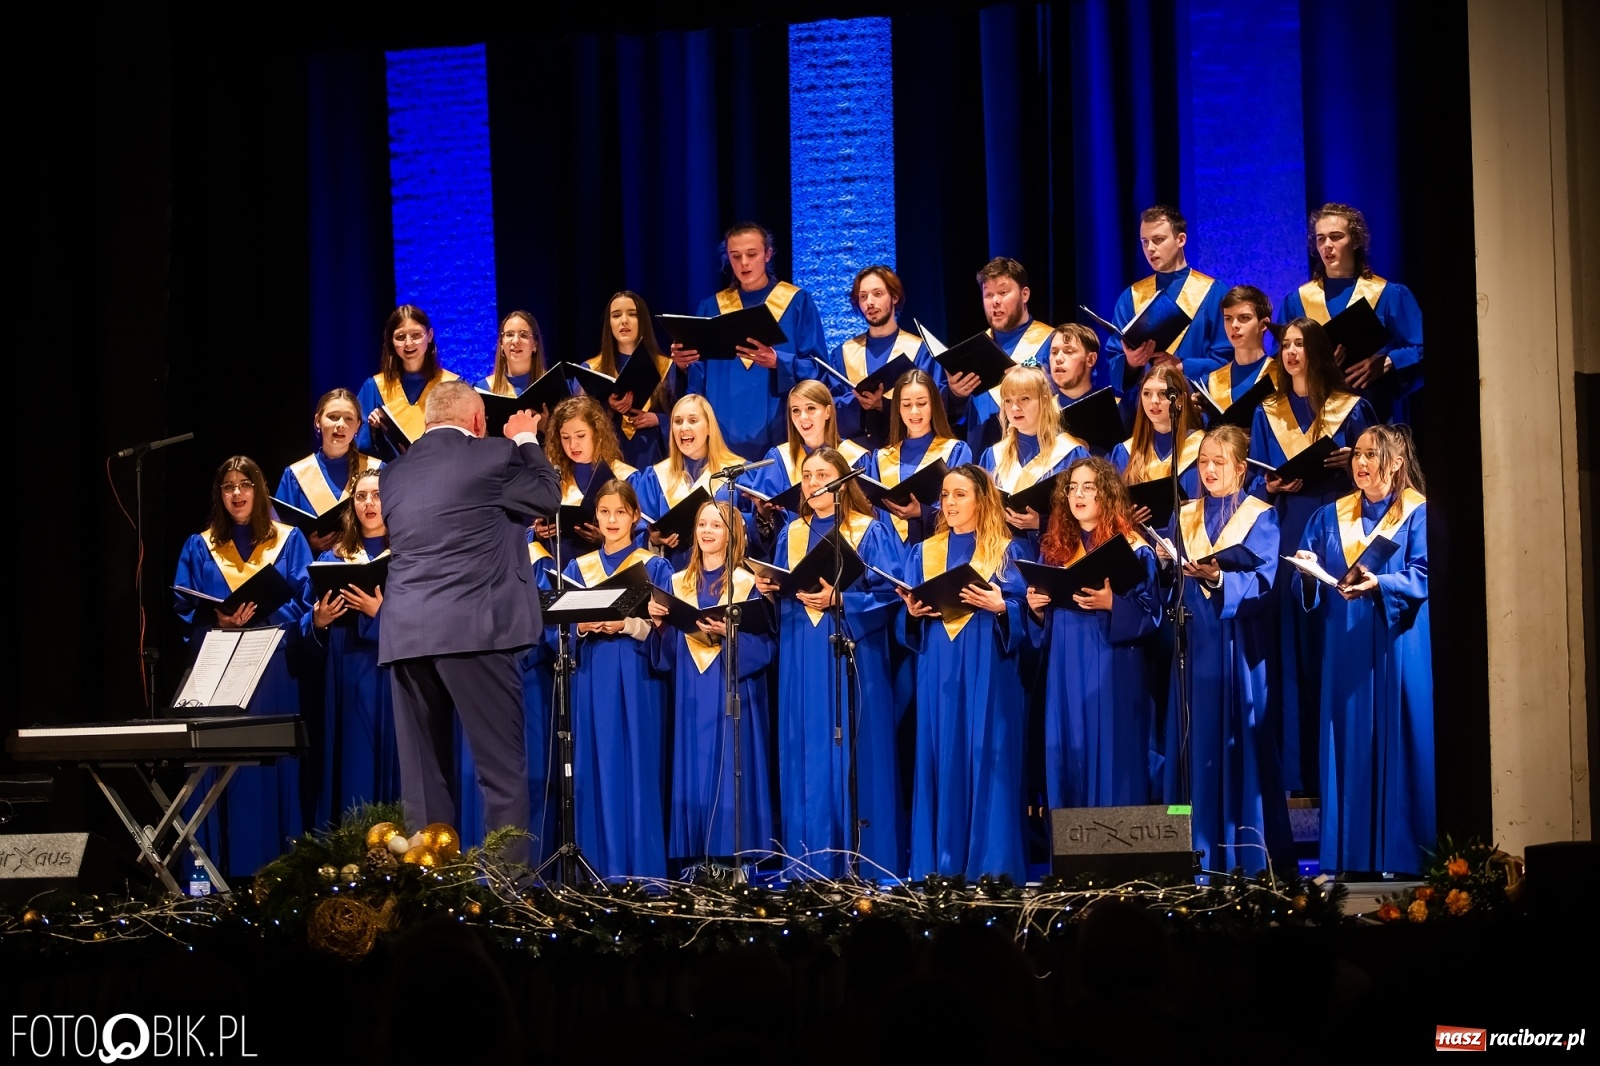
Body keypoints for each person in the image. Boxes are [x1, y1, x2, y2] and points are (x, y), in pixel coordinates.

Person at [377, 380, 560, 864]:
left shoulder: (393, 474)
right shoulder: (494, 456)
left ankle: (429, 892)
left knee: (423, 780)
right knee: (500, 772)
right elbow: (547, 497)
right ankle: (507, 895)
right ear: (477, 421)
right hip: (475, 630)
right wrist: (525, 440)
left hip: (405, 636)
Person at [753, 447, 904, 879]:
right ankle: (809, 861)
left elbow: (891, 595)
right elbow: (784, 592)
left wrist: (842, 599)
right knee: (806, 748)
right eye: (806, 474)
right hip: (802, 653)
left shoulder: (869, 531)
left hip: (853, 652)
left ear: (842, 480)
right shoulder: (791, 534)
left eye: (823, 473)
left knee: (855, 750)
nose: (813, 481)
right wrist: (770, 588)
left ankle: (863, 862)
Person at [1293, 425, 1432, 874]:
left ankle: (1404, 855)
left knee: (1398, 734)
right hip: (1346, 642)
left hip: (1397, 640)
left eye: (1372, 454)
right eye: (1357, 453)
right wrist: (1308, 570)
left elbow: (1426, 573)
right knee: (1347, 740)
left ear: (1395, 462)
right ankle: (1350, 855)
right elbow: (1308, 570)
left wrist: (1382, 584)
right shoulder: (1329, 515)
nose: (1360, 462)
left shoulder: (1417, 513)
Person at [1158, 426, 1293, 874]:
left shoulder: (1261, 516)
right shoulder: (1185, 515)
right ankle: (1193, 852)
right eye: (1203, 463)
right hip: (1193, 647)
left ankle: (1246, 858)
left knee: (1241, 751)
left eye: (1219, 462)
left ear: (1240, 467)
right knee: (1192, 745)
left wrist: (1218, 579)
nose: (1210, 470)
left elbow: (1267, 583)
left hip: (1239, 649)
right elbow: (1166, 587)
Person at [1249, 317, 1375, 795]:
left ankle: (1337, 776)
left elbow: (1377, 475)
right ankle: (1295, 777)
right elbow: (1256, 483)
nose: (1291, 352)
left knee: (1329, 646)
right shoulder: (1268, 413)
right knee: (1288, 650)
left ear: (1318, 350)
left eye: (1301, 344)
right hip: (1286, 532)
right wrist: (1270, 483)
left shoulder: (1353, 408)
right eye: (1285, 345)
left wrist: (1354, 463)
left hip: (1338, 531)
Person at [173, 456, 313, 875]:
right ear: (220, 495)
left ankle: (277, 872)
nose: (237, 493)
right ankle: (212, 873)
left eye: (245, 484)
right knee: (220, 766)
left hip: (270, 666)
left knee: (268, 767)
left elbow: (305, 600)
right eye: (229, 486)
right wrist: (216, 619)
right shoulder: (200, 545)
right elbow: (184, 607)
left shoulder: (288, 540)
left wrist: (263, 614)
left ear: (260, 489)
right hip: (218, 668)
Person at [897, 464, 1030, 881]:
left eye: (960, 495)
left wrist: (1003, 607)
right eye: (946, 495)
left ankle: (992, 868)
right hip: (939, 662)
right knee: (940, 752)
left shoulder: (1010, 551)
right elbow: (909, 617)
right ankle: (942, 866)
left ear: (981, 499)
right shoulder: (923, 552)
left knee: (987, 753)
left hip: (990, 661)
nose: (949, 503)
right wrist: (914, 613)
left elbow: (1029, 612)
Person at [1026, 457, 1160, 808]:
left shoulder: (1133, 547)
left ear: (1107, 495)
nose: (1078, 495)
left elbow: (1154, 612)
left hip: (1112, 661)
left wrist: (1113, 603)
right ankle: (1073, 858)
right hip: (1064, 663)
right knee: (1067, 746)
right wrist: (1037, 609)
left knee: (1112, 747)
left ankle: (1118, 856)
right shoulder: (1056, 549)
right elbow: (1044, 620)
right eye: (1072, 488)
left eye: (1088, 487)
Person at [648, 498, 775, 868]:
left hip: (732, 686)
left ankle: (737, 857)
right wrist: (659, 625)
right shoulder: (676, 582)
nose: (707, 531)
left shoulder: (748, 582)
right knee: (693, 764)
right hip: (691, 686)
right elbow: (668, 651)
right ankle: (694, 857)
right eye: (702, 524)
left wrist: (731, 635)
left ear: (732, 533)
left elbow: (766, 646)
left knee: (732, 761)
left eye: (716, 525)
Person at [558, 479, 673, 879]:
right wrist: (584, 626)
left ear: (635, 517)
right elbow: (560, 630)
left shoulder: (654, 566)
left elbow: (666, 630)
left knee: (637, 767)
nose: (611, 519)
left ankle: (641, 873)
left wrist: (626, 623)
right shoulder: (578, 568)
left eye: (620, 512)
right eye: (604, 512)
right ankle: (597, 871)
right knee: (594, 767)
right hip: (592, 676)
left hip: (637, 673)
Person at [669, 222, 829, 457]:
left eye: (751, 254)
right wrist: (682, 366)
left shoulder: (797, 303)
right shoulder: (711, 308)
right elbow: (697, 382)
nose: (744, 263)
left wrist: (778, 361)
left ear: (768, 254)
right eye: (736, 256)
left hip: (779, 432)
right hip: (721, 438)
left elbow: (820, 371)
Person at [303, 469, 396, 826]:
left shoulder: (406, 555)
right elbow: (305, 616)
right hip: (343, 666)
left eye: (376, 495)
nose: (369, 503)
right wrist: (319, 621)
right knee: (349, 757)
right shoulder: (334, 558)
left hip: (389, 668)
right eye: (361, 496)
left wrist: (379, 613)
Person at [1281, 203, 1423, 426]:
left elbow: (1420, 347)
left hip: (1373, 410)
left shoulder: (1388, 294)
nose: (1327, 245)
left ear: (1356, 241)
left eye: (1336, 237)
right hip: (1314, 416)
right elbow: (1279, 360)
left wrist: (1387, 361)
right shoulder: (1297, 300)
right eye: (1321, 239)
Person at [1102, 206, 1232, 393]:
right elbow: (1115, 360)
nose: (1150, 249)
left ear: (1181, 239)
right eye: (1145, 242)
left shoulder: (1213, 291)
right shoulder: (1132, 296)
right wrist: (1131, 362)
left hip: (1195, 404)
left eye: (1158, 240)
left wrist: (1183, 366)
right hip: (1147, 407)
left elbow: (1226, 358)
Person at [945, 257, 1059, 453]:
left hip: (1037, 458)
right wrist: (955, 395)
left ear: (1025, 294)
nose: (995, 301)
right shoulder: (974, 351)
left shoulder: (1052, 343)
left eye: (1003, 292)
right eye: (988, 294)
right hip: (981, 460)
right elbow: (953, 416)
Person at [629, 393, 751, 569]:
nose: (683, 428)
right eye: (677, 422)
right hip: (672, 574)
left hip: (726, 575)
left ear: (709, 427)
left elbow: (755, 528)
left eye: (693, 420)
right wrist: (654, 539)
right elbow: (637, 531)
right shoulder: (656, 477)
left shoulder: (737, 472)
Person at [827, 265, 939, 449]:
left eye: (877, 294)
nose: (869, 302)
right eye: (863, 297)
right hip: (856, 454)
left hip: (907, 450)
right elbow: (830, 406)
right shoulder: (843, 353)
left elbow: (935, 404)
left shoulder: (920, 350)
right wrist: (857, 402)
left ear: (894, 297)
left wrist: (883, 405)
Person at [866, 368, 973, 558]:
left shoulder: (955, 451)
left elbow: (964, 511)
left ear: (934, 405)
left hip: (938, 556)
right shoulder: (880, 458)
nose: (914, 411)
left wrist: (922, 512)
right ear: (897, 408)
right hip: (889, 560)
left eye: (922, 403)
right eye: (906, 404)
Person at [980, 364, 1089, 544]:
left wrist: (1042, 522)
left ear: (1044, 400)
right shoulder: (992, 455)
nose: (1014, 408)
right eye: (1008, 400)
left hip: (1053, 553)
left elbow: (1090, 514)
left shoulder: (1072, 453)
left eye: (1024, 399)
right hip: (1000, 555)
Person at [532, 395, 639, 567]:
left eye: (580, 436)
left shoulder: (624, 476)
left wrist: (606, 537)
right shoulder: (553, 477)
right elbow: (527, 526)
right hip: (563, 568)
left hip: (611, 570)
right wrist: (538, 532)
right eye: (565, 437)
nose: (573, 445)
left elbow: (641, 532)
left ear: (596, 433)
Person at [275, 388, 383, 557]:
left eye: (348, 419)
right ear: (317, 421)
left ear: (358, 426)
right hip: (314, 571)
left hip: (369, 566)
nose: (340, 425)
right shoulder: (295, 475)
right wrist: (307, 543)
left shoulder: (377, 470)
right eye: (333, 417)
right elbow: (279, 534)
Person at [356, 305, 460, 460]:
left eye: (416, 335)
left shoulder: (453, 386)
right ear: (391, 341)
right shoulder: (374, 388)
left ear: (430, 335)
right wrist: (372, 429)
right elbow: (355, 439)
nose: (409, 343)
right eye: (400, 337)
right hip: (389, 477)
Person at [588, 291, 674, 469]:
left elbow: (688, 415)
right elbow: (580, 426)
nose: (624, 321)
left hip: (655, 458)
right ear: (609, 324)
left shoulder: (667, 366)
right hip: (610, 461)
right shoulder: (592, 369)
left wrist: (659, 419)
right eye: (616, 315)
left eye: (632, 314)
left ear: (642, 320)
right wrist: (609, 409)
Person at [1111, 363, 1205, 512]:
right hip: (1139, 535)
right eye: (1147, 393)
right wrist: (1126, 518)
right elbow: (1112, 509)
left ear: (1180, 400)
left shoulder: (1202, 447)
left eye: (1163, 393)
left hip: (1190, 532)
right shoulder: (1124, 452)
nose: (1154, 400)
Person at [1200, 286, 1283, 423]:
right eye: (1228, 318)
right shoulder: (1212, 381)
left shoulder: (1282, 376)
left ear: (1264, 324)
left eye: (1244, 318)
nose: (1234, 325)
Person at [479, 310, 550, 396]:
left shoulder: (552, 385)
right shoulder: (483, 389)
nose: (515, 341)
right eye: (509, 334)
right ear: (501, 343)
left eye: (524, 335)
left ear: (535, 344)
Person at [1048, 323, 1100, 407]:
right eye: (1054, 352)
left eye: (1069, 352)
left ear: (1091, 359)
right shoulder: (1041, 413)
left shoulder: (1114, 408)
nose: (1058, 358)